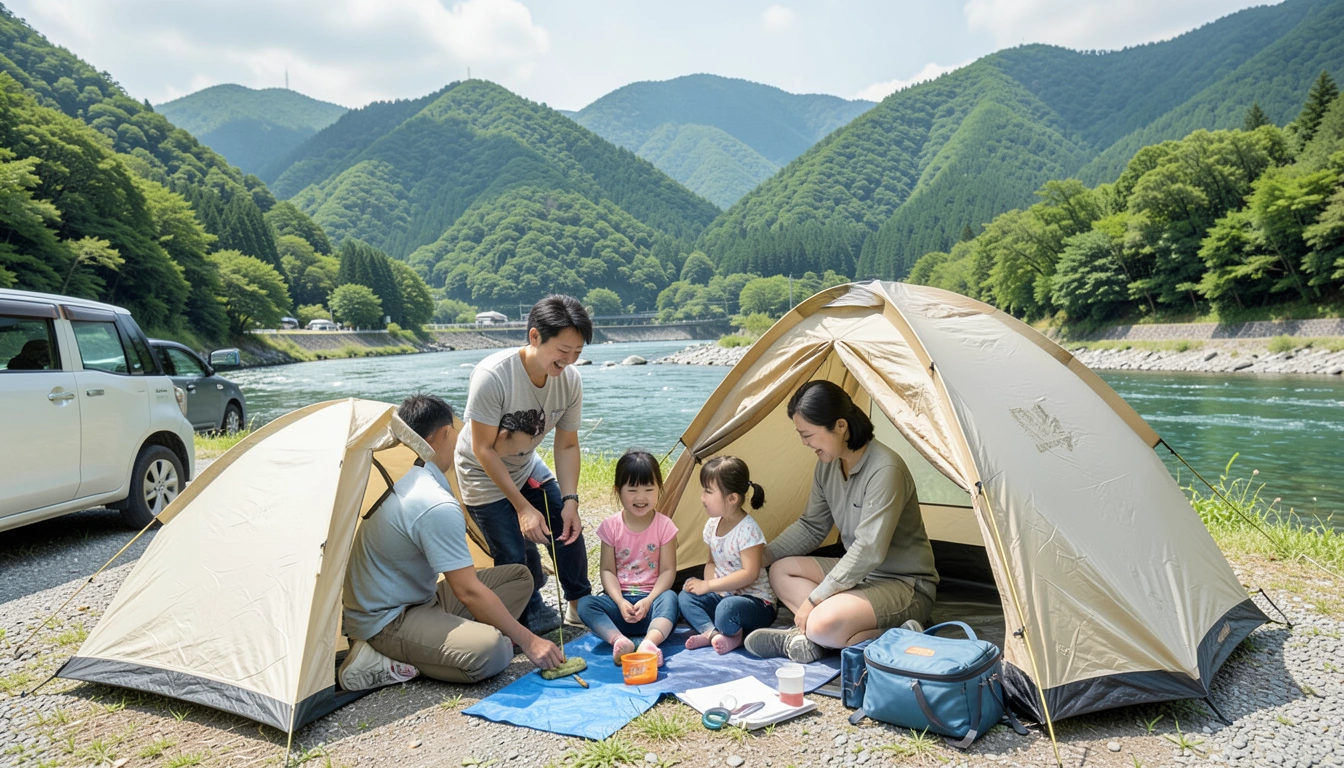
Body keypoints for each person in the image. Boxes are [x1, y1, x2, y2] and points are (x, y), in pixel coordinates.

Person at [340, 394, 564, 691]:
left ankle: (444, 640)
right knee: (495, 652)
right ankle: (377, 657)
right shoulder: (433, 503)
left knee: (519, 577)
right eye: (456, 433)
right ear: (443, 434)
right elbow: (468, 591)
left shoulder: (419, 480)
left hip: (422, 600)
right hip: (386, 621)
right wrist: (529, 641)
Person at [744, 380, 938, 663]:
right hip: (859, 576)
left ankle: (840, 633)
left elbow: (869, 549)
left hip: (903, 584)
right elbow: (812, 527)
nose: (804, 443)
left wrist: (814, 599)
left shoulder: (885, 469)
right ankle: (822, 635)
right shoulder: (827, 465)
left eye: (808, 434)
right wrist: (757, 559)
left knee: (822, 621)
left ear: (840, 426)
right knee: (780, 571)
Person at [455, 295, 593, 635]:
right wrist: (521, 508)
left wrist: (572, 500)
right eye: (563, 350)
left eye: (577, 352)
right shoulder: (494, 376)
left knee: (567, 527)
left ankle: (580, 604)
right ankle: (523, 616)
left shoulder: (570, 380)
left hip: (527, 466)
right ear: (535, 337)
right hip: (481, 474)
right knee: (515, 555)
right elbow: (483, 449)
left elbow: (567, 443)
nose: (570, 360)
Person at [576, 450, 679, 666]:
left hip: (651, 605)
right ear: (618, 491)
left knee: (670, 599)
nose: (641, 497)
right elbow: (607, 571)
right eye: (632, 490)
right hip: (619, 606)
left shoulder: (665, 526)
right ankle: (619, 641)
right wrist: (620, 601)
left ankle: (650, 643)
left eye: (649, 489)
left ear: (659, 489)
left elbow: (669, 570)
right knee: (585, 604)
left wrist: (649, 600)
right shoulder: (611, 527)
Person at [679, 456, 777, 655]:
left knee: (727, 609)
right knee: (685, 597)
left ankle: (734, 635)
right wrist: (708, 589)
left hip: (755, 602)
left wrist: (709, 586)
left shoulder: (748, 531)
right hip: (724, 594)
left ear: (732, 498)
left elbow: (749, 574)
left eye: (708, 491)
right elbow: (711, 562)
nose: (702, 497)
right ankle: (713, 635)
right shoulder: (712, 524)